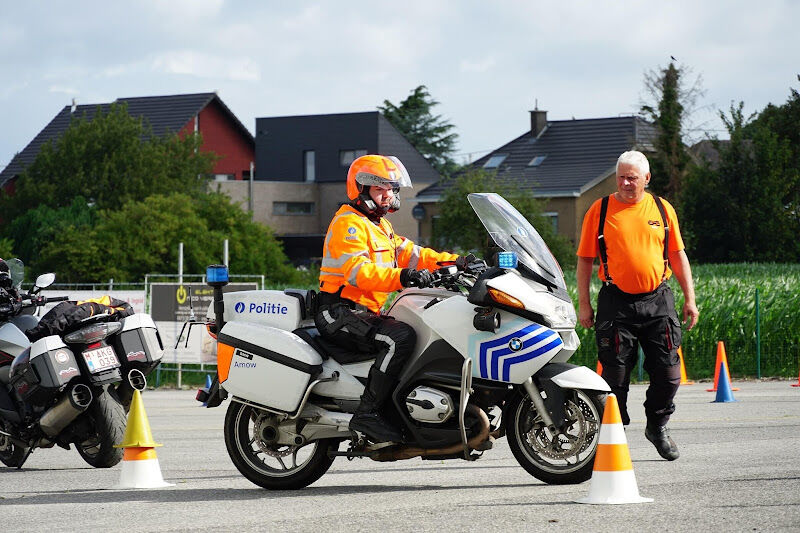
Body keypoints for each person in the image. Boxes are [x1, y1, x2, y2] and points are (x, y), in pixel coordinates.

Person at [316, 154, 468, 443]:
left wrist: (458, 262)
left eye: (391, 189)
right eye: (380, 189)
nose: (388, 195)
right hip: (338, 312)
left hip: (365, 312)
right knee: (399, 337)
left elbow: (414, 254)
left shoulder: (380, 226)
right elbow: (358, 273)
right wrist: (403, 277)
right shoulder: (348, 224)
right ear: (361, 189)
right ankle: (368, 414)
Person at [576, 150, 699, 461]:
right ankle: (616, 434)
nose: (626, 183)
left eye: (632, 177)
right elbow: (585, 260)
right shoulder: (600, 209)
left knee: (669, 373)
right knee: (614, 377)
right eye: (621, 177)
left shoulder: (662, 208)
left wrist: (690, 299)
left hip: (658, 299)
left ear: (647, 178)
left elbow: (677, 256)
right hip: (615, 301)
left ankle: (657, 425)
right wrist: (584, 305)